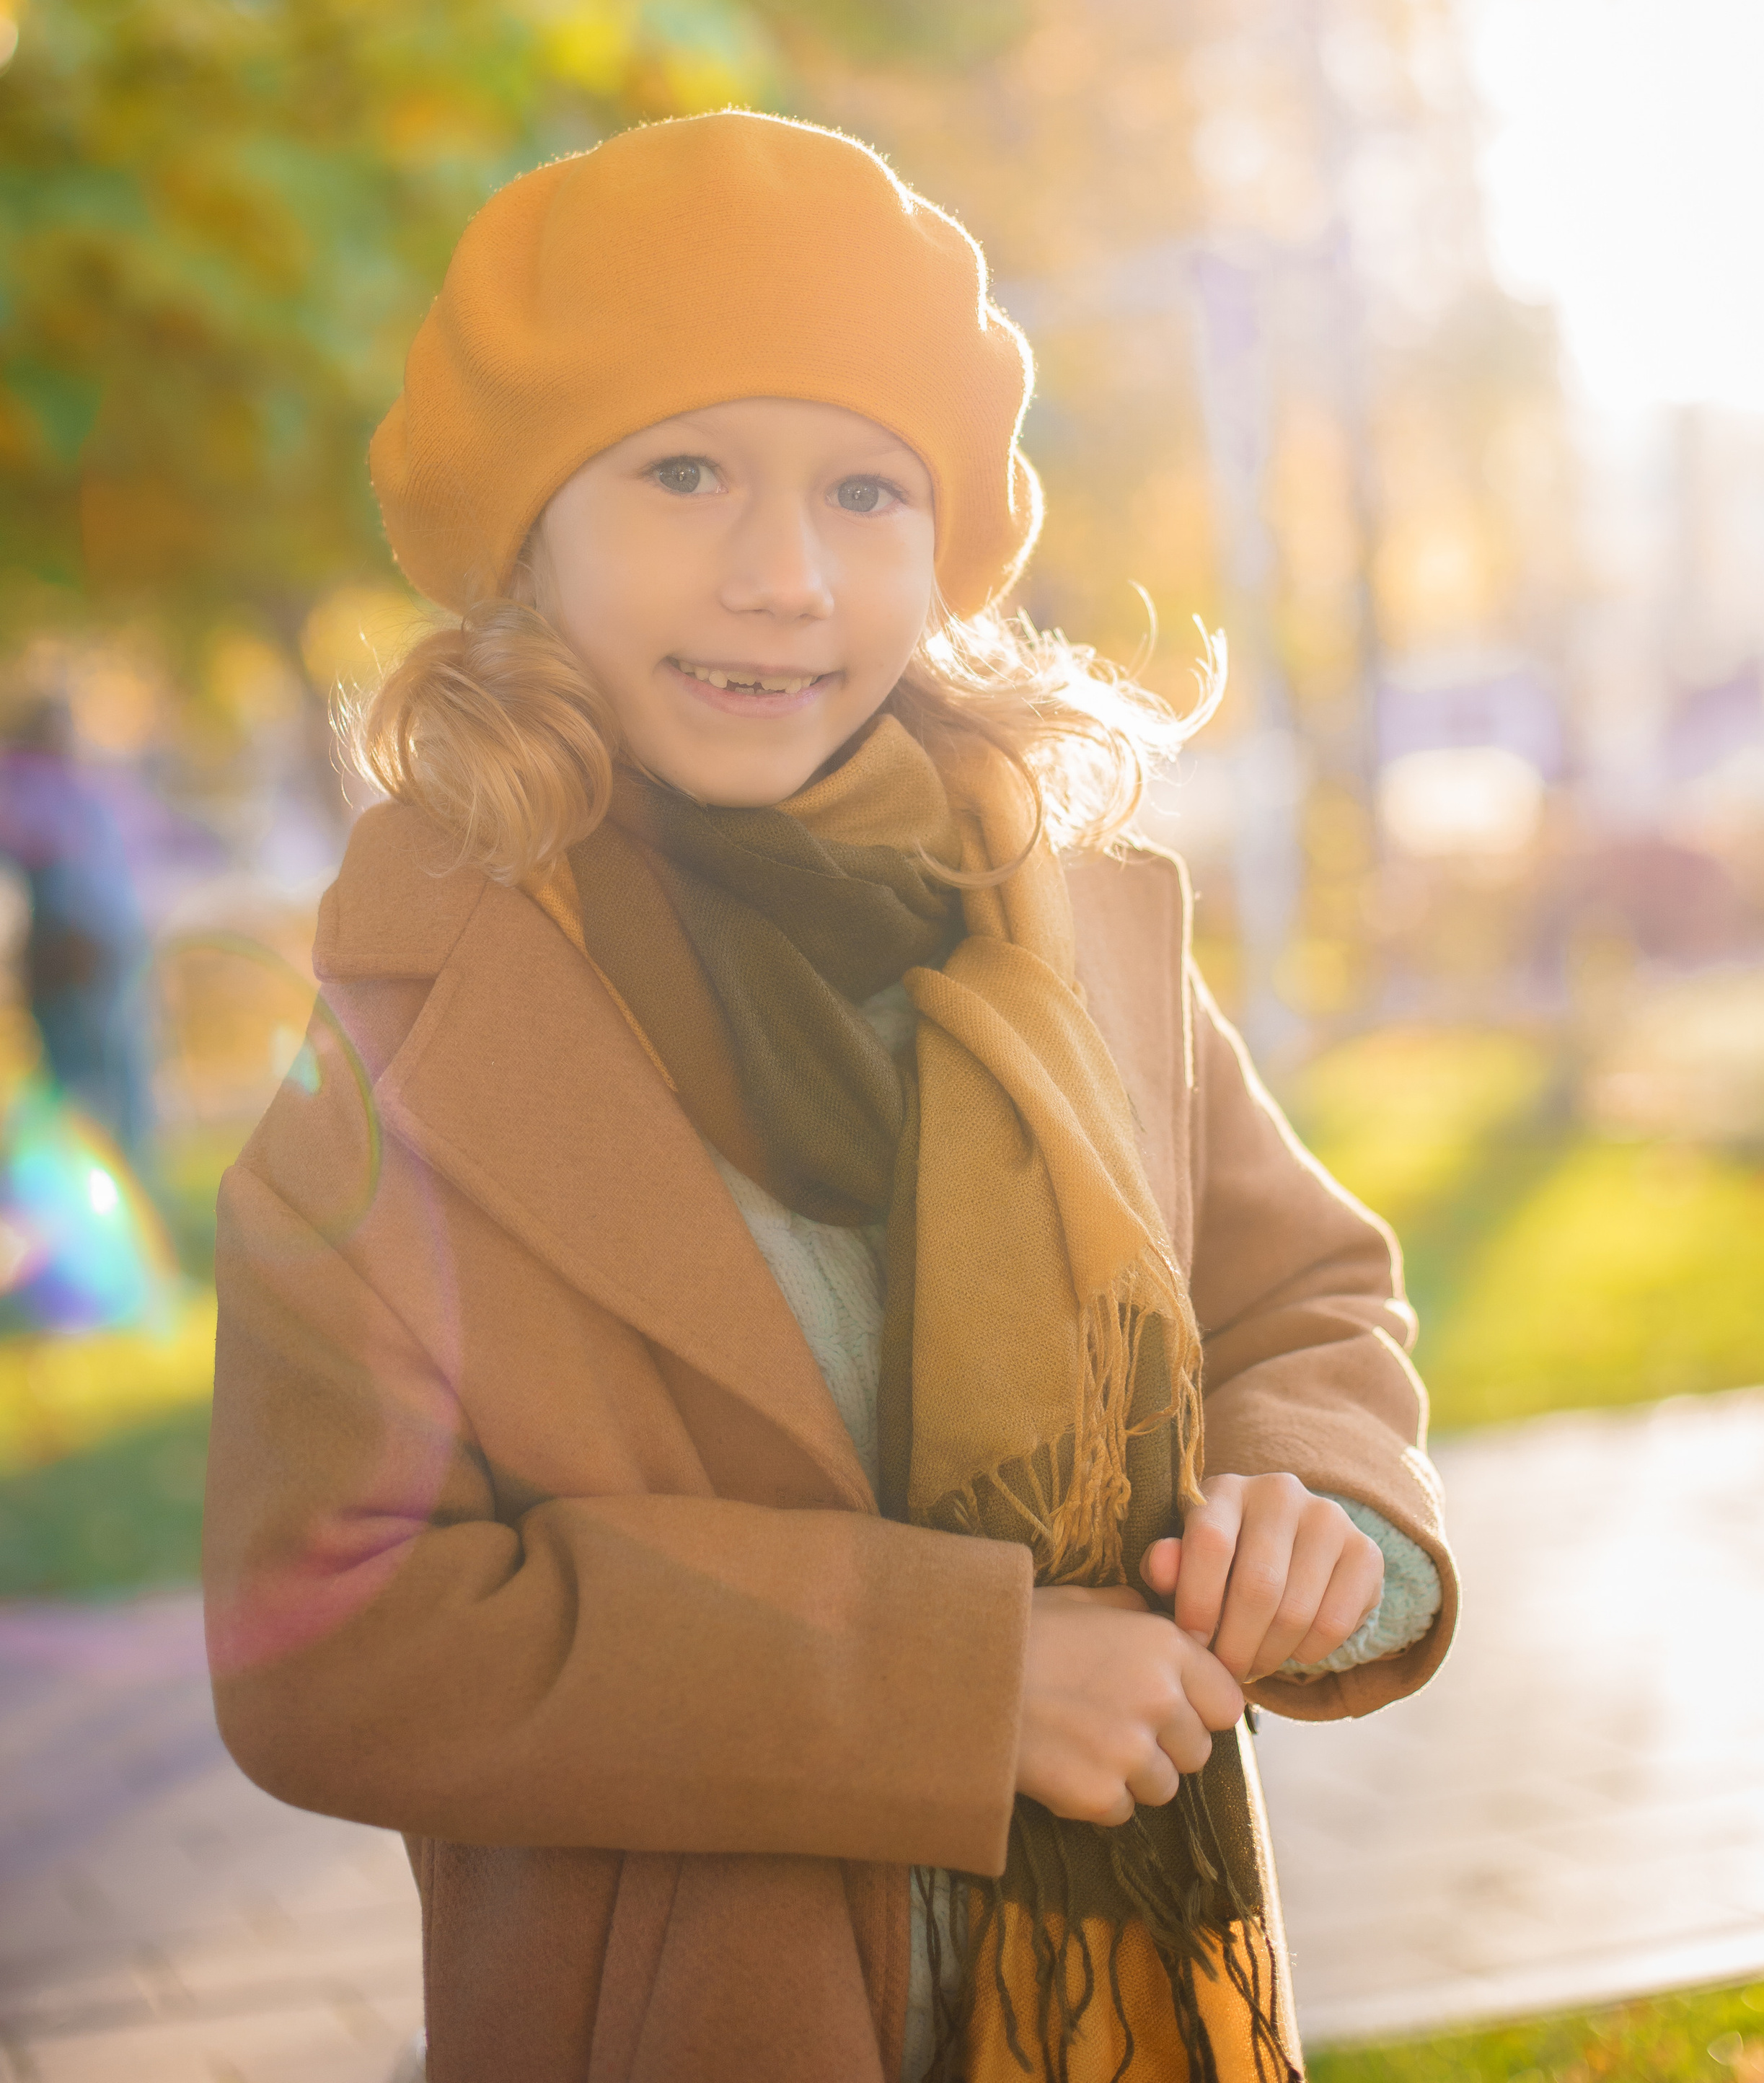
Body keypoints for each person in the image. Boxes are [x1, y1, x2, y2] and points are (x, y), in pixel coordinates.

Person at [203, 113, 1456, 2083]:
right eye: (685, 470)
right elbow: (336, 1639)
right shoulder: (399, 1064)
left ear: (946, 553)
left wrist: (1319, 1508)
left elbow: (1306, 1297)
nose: (783, 575)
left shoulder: (1073, 938)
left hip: (1130, 2009)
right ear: (529, 536)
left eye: (867, 491)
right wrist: (949, 1692)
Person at [0, 695, 154, 1170]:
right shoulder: (38, 783)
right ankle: (116, 1177)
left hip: (90, 948)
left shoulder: (53, 785)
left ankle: (119, 1178)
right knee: (98, 1072)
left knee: (96, 1073)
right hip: (77, 947)